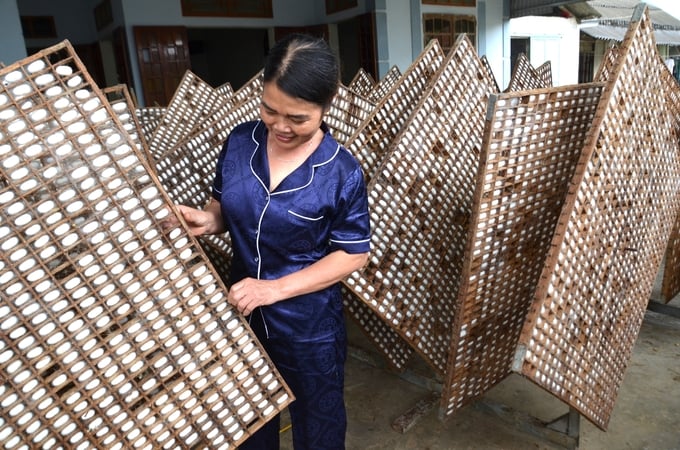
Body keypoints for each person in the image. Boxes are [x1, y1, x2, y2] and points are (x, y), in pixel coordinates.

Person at [170, 33, 371, 449]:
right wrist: (209, 220)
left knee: (317, 423)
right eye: (269, 110)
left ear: (326, 103)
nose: (280, 126)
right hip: (241, 315)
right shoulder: (241, 142)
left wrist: (274, 289)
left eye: (297, 118)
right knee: (248, 418)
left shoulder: (340, 172)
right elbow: (224, 203)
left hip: (307, 325)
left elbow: (353, 254)